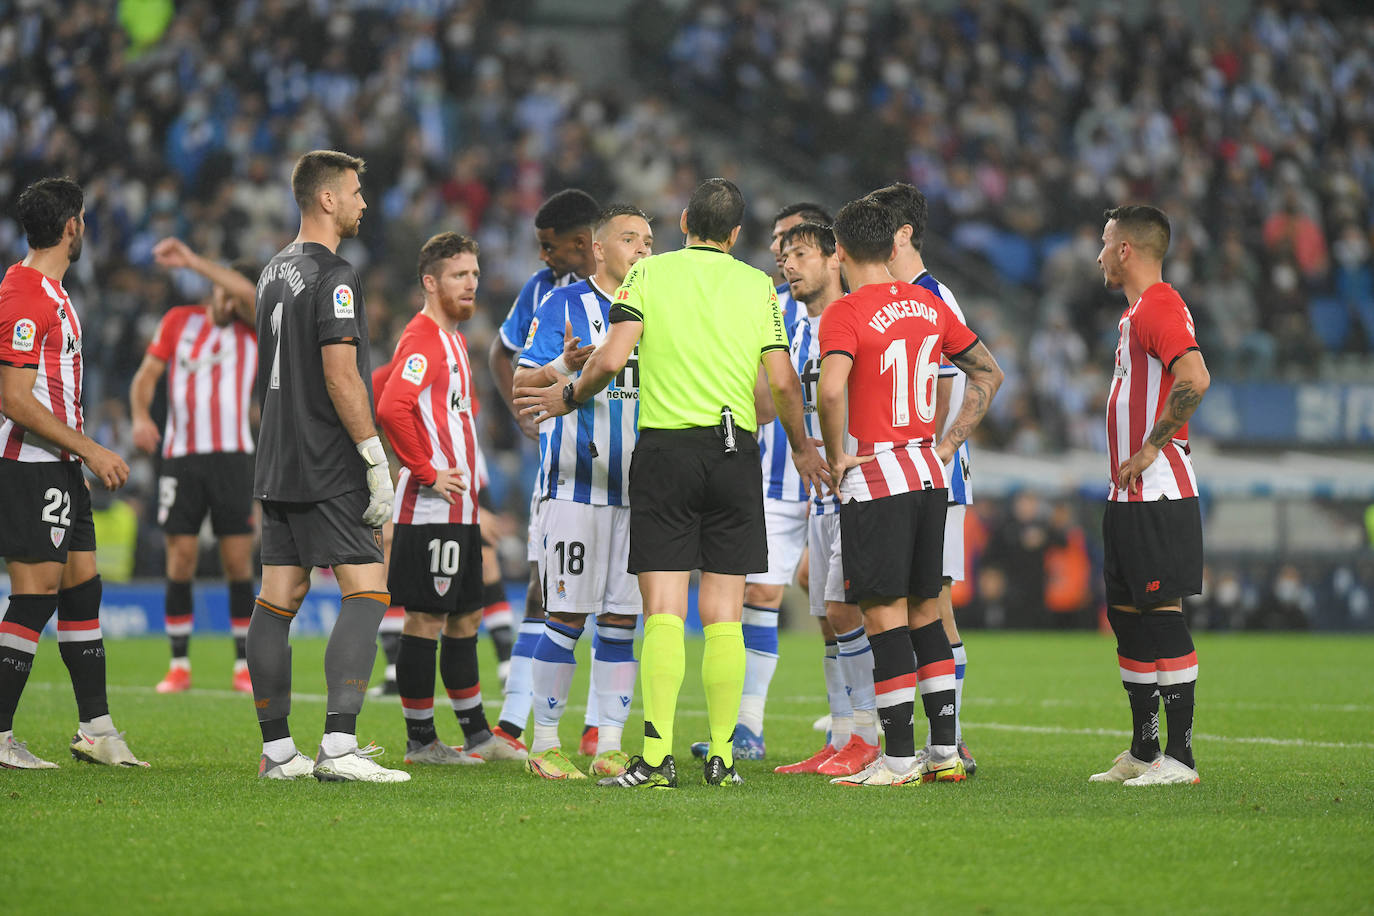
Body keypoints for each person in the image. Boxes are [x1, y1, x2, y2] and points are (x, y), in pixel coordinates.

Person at [517, 178, 828, 788]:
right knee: (725, 613)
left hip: (665, 451)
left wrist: (566, 398)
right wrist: (801, 447)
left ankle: (654, 758)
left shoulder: (648, 277)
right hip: (734, 451)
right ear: (737, 234)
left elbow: (610, 359)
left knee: (662, 608)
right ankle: (722, 756)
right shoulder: (759, 287)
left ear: (684, 222)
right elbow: (783, 386)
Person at [817, 197, 1002, 787]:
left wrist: (836, 451)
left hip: (876, 477)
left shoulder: (844, 313)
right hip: (929, 475)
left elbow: (830, 392)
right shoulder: (928, 304)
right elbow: (988, 372)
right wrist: (948, 445)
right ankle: (943, 753)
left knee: (884, 619)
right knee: (928, 614)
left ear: (841, 252)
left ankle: (897, 759)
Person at [248, 149, 406, 783]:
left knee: (278, 596)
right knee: (367, 588)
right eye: (356, 191)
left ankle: (278, 752)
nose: (365, 202)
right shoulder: (336, 274)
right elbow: (341, 375)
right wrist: (373, 456)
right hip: (325, 459)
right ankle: (339, 746)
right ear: (326, 199)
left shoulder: (270, 271)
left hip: (277, 458)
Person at [0, 176, 147, 768]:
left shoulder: (43, 289)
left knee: (82, 588)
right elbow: (12, 396)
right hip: (31, 466)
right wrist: (90, 448)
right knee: (34, 596)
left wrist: (78, 457)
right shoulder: (27, 296)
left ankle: (97, 729)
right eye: (83, 219)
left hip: (59, 468)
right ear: (72, 227)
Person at [690, 201, 833, 763]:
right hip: (772, 476)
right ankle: (748, 726)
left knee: (840, 603)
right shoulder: (765, 303)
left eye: (793, 245)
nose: (780, 253)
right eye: (777, 243)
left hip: (833, 475)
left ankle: (851, 721)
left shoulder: (849, 308)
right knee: (759, 591)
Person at [513, 205, 653, 780]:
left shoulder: (659, 308)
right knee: (566, 614)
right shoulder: (563, 306)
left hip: (641, 493)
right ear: (598, 249)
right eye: (629, 238)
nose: (643, 248)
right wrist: (558, 368)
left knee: (622, 621)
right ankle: (544, 742)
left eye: (648, 239)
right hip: (574, 488)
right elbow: (523, 382)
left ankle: (610, 745)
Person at [374, 231, 523, 766]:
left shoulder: (454, 339)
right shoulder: (422, 339)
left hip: (459, 510)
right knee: (427, 621)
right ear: (430, 282)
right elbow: (393, 406)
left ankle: (477, 734)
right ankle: (421, 742)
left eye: (475, 275)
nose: (471, 284)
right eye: (460, 275)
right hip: (430, 510)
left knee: (464, 619)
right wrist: (426, 470)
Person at [1089, 204, 1208, 787]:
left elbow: (1195, 377)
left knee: (1160, 614)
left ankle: (1180, 759)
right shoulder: (1136, 312)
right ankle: (1143, 749)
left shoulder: (1158, 304)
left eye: (1106, 243)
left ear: (1127, 250)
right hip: (1129, 494)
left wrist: (1151, 447)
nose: (1100, 254)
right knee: (1128, 616)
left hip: (1158, 490)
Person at [866, 181, 977, 774]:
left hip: (931, 473)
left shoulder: (933, 297)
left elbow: (947, 387)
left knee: (933, 603)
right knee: (914, 601)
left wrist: (940, 447)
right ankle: (929, 732)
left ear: (903, 233)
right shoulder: (896, 294)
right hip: (906, 469)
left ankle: (948, 737)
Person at [488, 188, 603, 757]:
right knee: (546, 589)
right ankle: (511, 726)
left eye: (548, 247)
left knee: (617, 599)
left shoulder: (631, 290)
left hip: (625, 467)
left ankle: (598, 726)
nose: (542, 257)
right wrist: (522, 410)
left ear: (581, 243)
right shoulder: (541, 292)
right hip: (559, 470)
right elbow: (501, 353)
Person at [765, 222, 881, 778]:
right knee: (828, 613)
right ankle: (842, 737)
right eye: (785, 256)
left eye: (802, 254)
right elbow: (771, 404)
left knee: (845, 608)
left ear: (835, 258)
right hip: (823, 492)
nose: (790, 265)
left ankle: (869, 734)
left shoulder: (855, 316)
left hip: (856, 483)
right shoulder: (800, 329)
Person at [129, 238, 259, 695]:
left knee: (237, 561)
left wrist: (193, 262)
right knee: (179, 558)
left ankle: (243, 665)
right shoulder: (178, 321)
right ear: (212, 288)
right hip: (181, 457)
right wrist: (142, 416)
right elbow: (146, 376)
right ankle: (179, 664)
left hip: (233, 457)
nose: (230, 299)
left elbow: (249, 296)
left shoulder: (255, 327)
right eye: (224, 291)